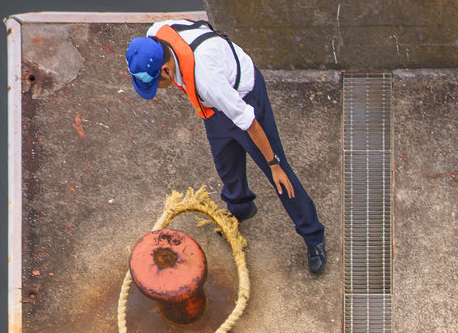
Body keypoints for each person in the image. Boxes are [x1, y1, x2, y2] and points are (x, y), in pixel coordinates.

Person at [126, 19, 326, 276]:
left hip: (243, 99)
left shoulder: (207, 79)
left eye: (156, 83)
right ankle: (241, 208)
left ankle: (313, 236)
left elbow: (249, 122)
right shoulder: (155, 34)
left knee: (281, 178)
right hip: (212, 108)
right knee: (225, 163)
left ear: (165, 70)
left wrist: (273, 164)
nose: (159, 89)